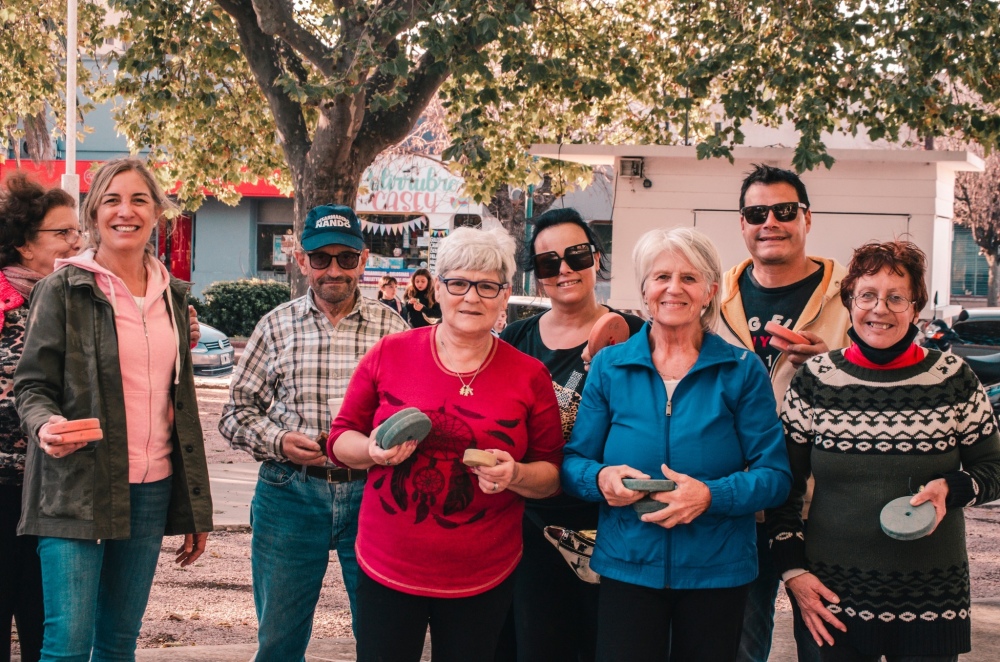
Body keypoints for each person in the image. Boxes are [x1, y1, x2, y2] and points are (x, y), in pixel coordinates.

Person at [328, 226, 564, 662]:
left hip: (484, 574)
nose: (471, 297)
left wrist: (514, 474)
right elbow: (340, 438)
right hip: (388, 566)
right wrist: (373, 452)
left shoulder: (530, 376)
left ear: (505, 293)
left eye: (487, 286)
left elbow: (549, 475)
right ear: (438, 287)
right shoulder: (389, 353)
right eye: (458, 282)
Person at [561, 226, 791, 661]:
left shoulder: (741, 370)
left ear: (710, 291)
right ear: (645, 289)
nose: (673, 288)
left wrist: (711, 495)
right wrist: (601, 478)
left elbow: (775, 477)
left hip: (717, 571)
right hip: (628, 565)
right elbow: (573, 463)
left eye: (689, 277)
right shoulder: (610, 367)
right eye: (661, 276)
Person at [14, 157, 213, 661]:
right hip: (74, 484)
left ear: (157, 213)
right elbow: (31, 386)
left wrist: (195, 505)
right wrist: (46, 425)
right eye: (112, 200)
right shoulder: (60, 289)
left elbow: (181, 406)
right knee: (68, 643)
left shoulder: (174, 295)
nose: (126, 211)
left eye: (139, 199)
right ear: (93, 213)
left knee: (120, 642)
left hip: (151, 488)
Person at [768, 240, 1000, 661]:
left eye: (896, 298)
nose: (880, 309)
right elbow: (783, 486)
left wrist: (952, 487)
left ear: (915, 308)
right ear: (850, 302)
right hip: (830, 598)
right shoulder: (816, 380)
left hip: (931, 598)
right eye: (867, 296)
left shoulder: (953, 379)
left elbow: (994, 468)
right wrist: (794, 573)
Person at [219, 204, 408, 661]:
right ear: (301, 260)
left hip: (372, 493)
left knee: (383, 636)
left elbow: (412, 412)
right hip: (289, 493)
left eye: (346, 257)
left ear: (363, 260)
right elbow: (234, 414)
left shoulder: (394, 331)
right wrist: (279, 441)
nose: (334, 269)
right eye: (321, 258)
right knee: (279, 640)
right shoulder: (275, 326)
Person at [496, 207, 645, 662]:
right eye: (547, 262)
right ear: (537, 276)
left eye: (576, 255)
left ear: (596, 258)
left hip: (610, 527)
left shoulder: (638, 336)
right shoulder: (514, 340)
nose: (563, 269)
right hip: (526, 529)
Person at [718, 164, 851, 662]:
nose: (770, 221)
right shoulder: (715, 295)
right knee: (738, 649)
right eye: (757, 212)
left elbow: (890, 380)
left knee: (828, 647)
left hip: (824, 511)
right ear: (742, 224)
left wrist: (830, 366)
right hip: (741, 507)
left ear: (807, 219)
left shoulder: (852, 296)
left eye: (784, 210)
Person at [0, 174, 82, 662]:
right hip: (4, 486)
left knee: (46, 622)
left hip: (54, 490)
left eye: (78, 231)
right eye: (62, 233)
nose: (77, 241)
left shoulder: (77, 299)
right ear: (24, 246)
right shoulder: (12, 304)